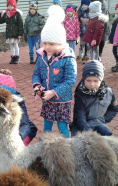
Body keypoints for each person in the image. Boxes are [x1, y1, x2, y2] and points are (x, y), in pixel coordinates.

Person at [32, 5, 77, 138]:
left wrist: (54, 92)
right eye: (44, 43)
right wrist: (37, 86)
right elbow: (36, 74)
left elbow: (70, 80)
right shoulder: (41, 56)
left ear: (61, 43)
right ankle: (47, 146)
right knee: (47, 125)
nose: (47, 47)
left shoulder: (68, 58)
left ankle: (67, 148)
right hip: (47, 99)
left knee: (62, 126)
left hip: (62, 100)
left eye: (51, 44)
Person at [71, 60, 118, 137]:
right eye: (88, 80)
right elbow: (79, 116)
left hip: (98, 122)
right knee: (78, 144)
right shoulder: (80, 94)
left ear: (101, 80)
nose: (92, 84)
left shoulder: (109, 92)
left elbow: (114, 108)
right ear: (84, 79)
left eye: (96, 81)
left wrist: (103, 119)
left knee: (107, 137)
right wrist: (89, 132)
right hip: (82, 125)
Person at [0, 69, 38, 145]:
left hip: (14, 129)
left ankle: (21, 146)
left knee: (31, 127)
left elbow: (24, 121)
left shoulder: (18, 100)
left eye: (5, 94)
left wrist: (18, 138)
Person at [0, 0, 23, 64]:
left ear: (14, 6)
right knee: (11, 45)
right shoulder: (6, 14)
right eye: (9, 6)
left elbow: (20, 24)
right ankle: (12, 57)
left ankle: (17, 58)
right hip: (9, 32)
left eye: (11, 6)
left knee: (16, 45)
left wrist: (20, 34)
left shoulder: (17, 13)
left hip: (16, 32)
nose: (10, 7)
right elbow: (1, 21)